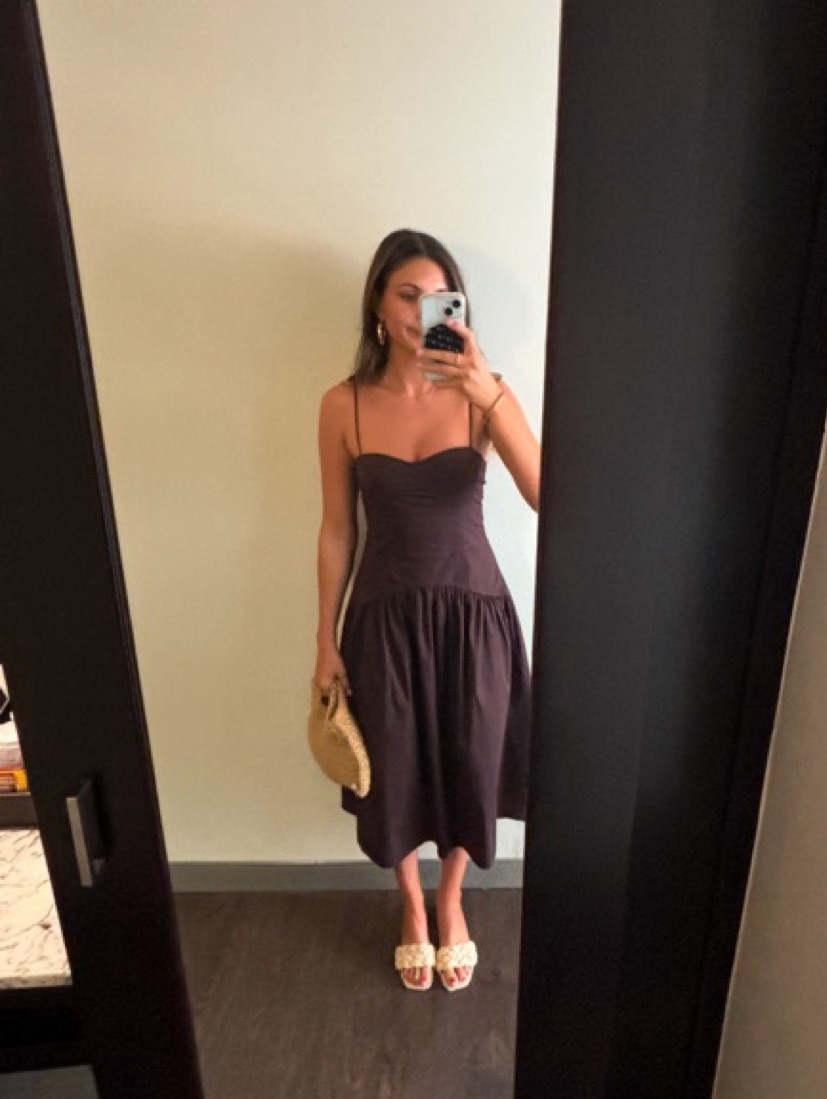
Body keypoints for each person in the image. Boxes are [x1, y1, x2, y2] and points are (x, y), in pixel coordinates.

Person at [314, 228, 540, 992]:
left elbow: (547, 495)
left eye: (439, 297)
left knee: (470, 759)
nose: (421, 312)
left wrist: (488, 392)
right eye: (407, 295)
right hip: (382, 621)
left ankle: (452, 900)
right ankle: (412, 904)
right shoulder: (343, 404)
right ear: (378, 305)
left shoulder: (483, 393)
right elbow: (337, 528)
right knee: (395, 767)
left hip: (476, 619)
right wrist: (323, 638)